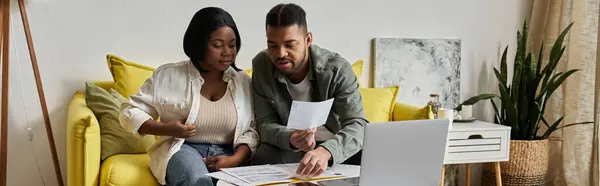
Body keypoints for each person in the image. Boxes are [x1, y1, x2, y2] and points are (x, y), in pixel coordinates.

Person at [119, 7, 258, 186]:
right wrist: (167, 128)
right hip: (183, 148)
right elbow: (129, 112)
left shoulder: (243, 81)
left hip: (230, 152)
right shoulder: (168, 75)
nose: (227, 52)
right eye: (217, 45)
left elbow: (253, 129)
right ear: (199, 44)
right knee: (198, 181)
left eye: (232, 45)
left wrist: (235, 159)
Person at [251, 3, 368, 178]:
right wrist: (290, 137)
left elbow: (358, 124)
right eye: (272, 45)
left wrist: (326, 151)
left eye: (290, 44)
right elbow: (264, 123)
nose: (281, 53)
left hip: (335, 145)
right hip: (288, 148)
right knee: (263, 156)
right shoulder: (262, 65)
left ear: (308, 40)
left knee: (372, 158)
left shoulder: (337, 69)